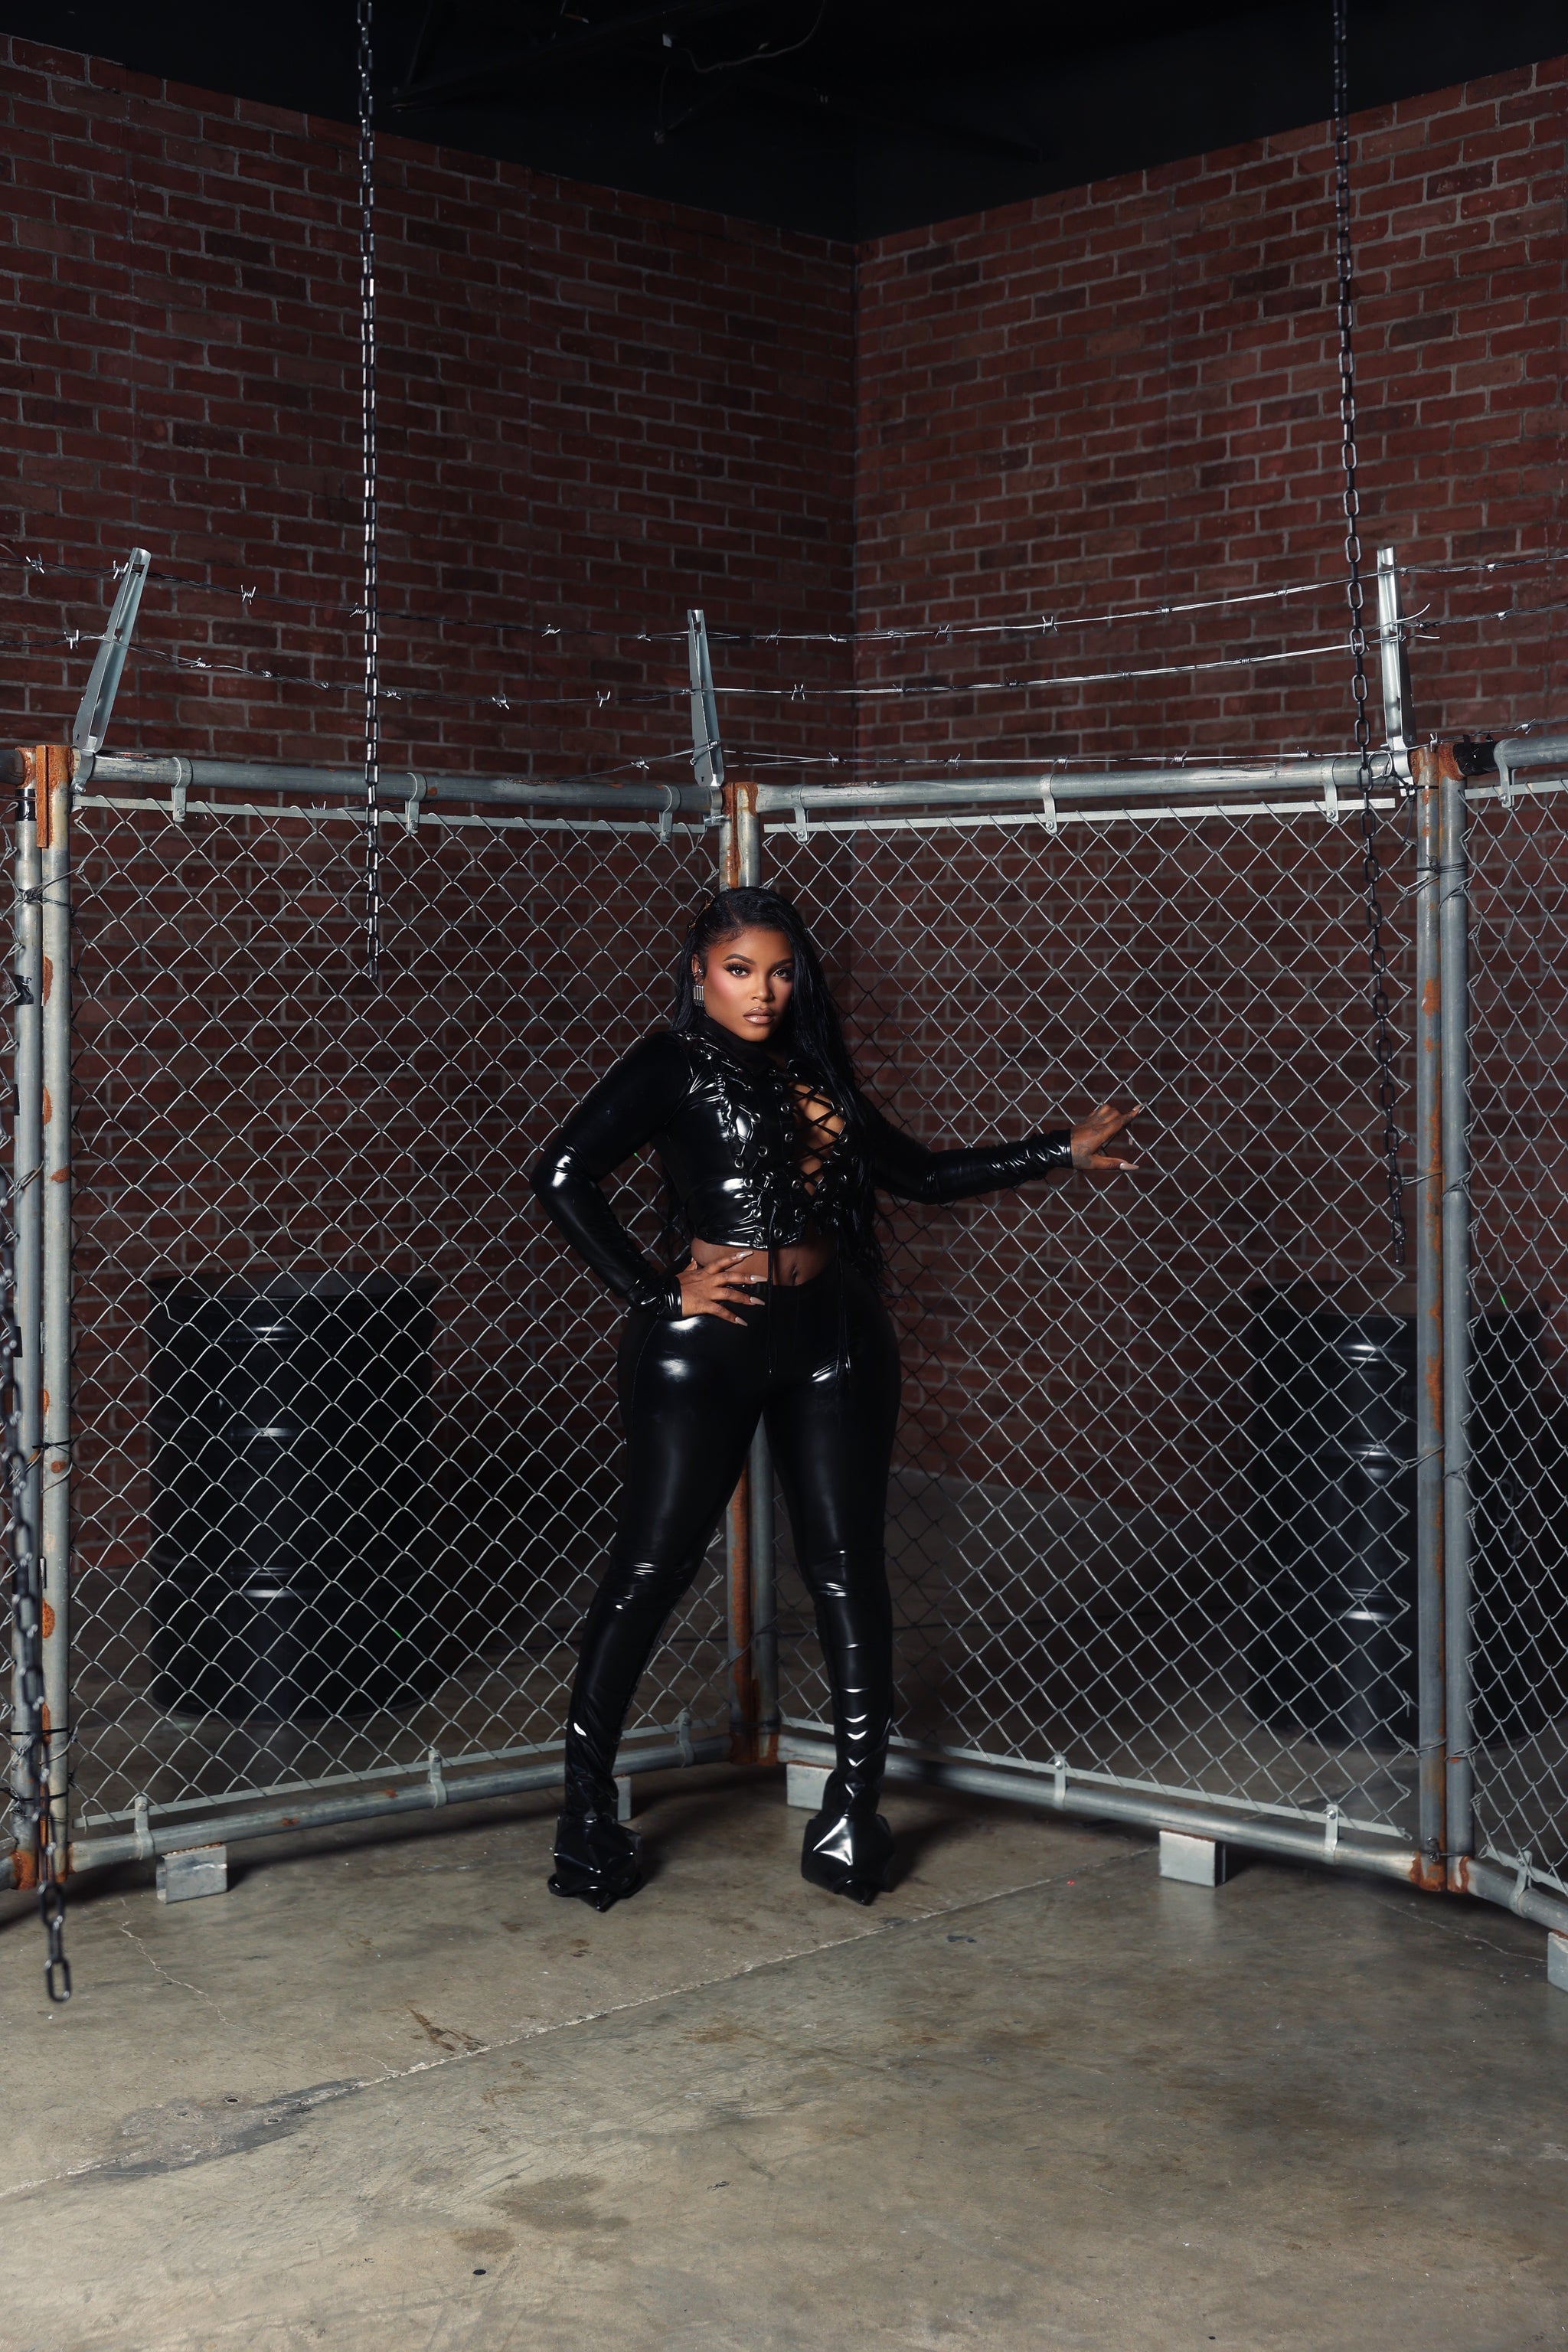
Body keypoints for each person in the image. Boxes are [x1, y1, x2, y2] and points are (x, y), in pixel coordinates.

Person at [530, 887, 1137, 1912]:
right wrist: (654, 1290)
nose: (762, 991)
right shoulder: (668, 1064)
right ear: (699, 974)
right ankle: (586, 1815)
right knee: (651, 1568)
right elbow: (559, 1173)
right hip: (706, 1343)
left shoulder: (813, 1065)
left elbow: (920, 1175)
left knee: (848, 1569)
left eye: (779, 972)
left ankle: (853, 1813)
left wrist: (1056, 1151)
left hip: (834, 1337)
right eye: (739, 971)